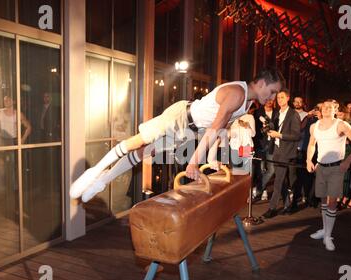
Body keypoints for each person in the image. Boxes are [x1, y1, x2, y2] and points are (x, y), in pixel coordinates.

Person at [70, 69, 284, 202]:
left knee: (145, 152)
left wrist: (209, 159)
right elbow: (214, 127)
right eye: (273, 91)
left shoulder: (247, 104)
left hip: (191, 132)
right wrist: (194, 161)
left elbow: (219, 130)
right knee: (139, 140)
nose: (272, 97)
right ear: (262, 83)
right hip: (181, 117)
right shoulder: (238, 94)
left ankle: (103, 181)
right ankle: (95, 171)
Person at [307, 99, 351, 251]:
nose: (326, 109)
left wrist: (348, 161)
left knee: (332, 203)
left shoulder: (341, 124)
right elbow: (312, 144)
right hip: (320, 168)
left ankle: (328, 236)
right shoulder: (315, 126)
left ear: (335, 109)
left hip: (335, 169)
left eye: (329, 107)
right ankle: (325, 231)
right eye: (324, 106)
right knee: (324, 202)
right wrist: (308, 160)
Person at [262, 89, 301, 218]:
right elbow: (275, 127)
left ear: (288, 98)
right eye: (278, 98)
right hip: (277, 149)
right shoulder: (277, 113)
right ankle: (288, 205)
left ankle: (272, 208)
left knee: (278, 180)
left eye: (282, 97)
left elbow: (296, 135)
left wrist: (279, 135)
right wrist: (269, 127)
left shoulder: (293, 114)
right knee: (281, 179)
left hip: (286, 151)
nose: (280, 100)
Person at [252, 99, 276, 201]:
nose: (269, 101)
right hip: (260, 144)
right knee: (261, 170)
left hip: (272, 144)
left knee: (271, 170)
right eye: (267, 99)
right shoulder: (257, 112)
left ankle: (258, 188)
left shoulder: (277, 112)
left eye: (271, 99)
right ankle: (263, 190)